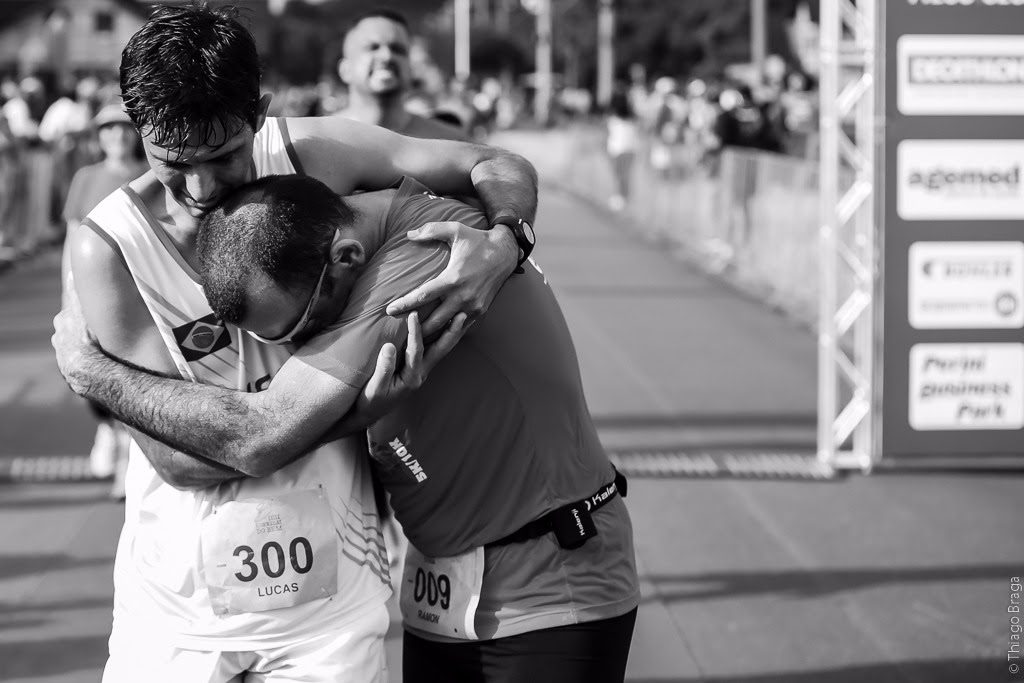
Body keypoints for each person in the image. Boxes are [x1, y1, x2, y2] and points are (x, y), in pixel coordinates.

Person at [56, 4, 537, 681]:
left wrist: (507, 239)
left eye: (223, 156)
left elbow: (493, 162)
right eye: (172, 162)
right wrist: (353, 412)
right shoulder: (110, 246)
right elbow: (180, 460)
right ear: (138, 131)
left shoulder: (314, 155)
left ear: (259, 114)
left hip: (328, 612)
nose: (200, 188)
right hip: (178, 615)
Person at [55, 172, 640, 682]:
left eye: (298, 329)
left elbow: (256, 437)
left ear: (346, 258)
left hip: (548, 580)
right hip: (440, 587)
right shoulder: (354, 247)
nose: (298, 349)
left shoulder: (426, 257)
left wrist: (91, 370)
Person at [61, 102, 147, 497]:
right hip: (90, 286)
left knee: (131, 366)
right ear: (99, 137)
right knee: (87, 363)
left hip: (136, 285)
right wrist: (69, 288)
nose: (117, 136)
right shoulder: (86, 177)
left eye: (123, 128)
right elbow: (72, 236)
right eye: (108, 129)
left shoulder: (149, 173)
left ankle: (127, 457)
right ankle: (107, 429)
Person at [336, 9, 468, 142]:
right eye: (373, 47)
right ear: (345, 70)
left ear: (410, 68)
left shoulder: (450, 143)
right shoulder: (325, 139)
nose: (387, 56)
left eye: (398, 49)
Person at [605, 89, 640, 212]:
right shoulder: (632, 116)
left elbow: (608, 133)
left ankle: (619, 197)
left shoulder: (612, 116)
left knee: (618, 175)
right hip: (630, 148)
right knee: (626, 175)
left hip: (616, 149)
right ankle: (625, 198)